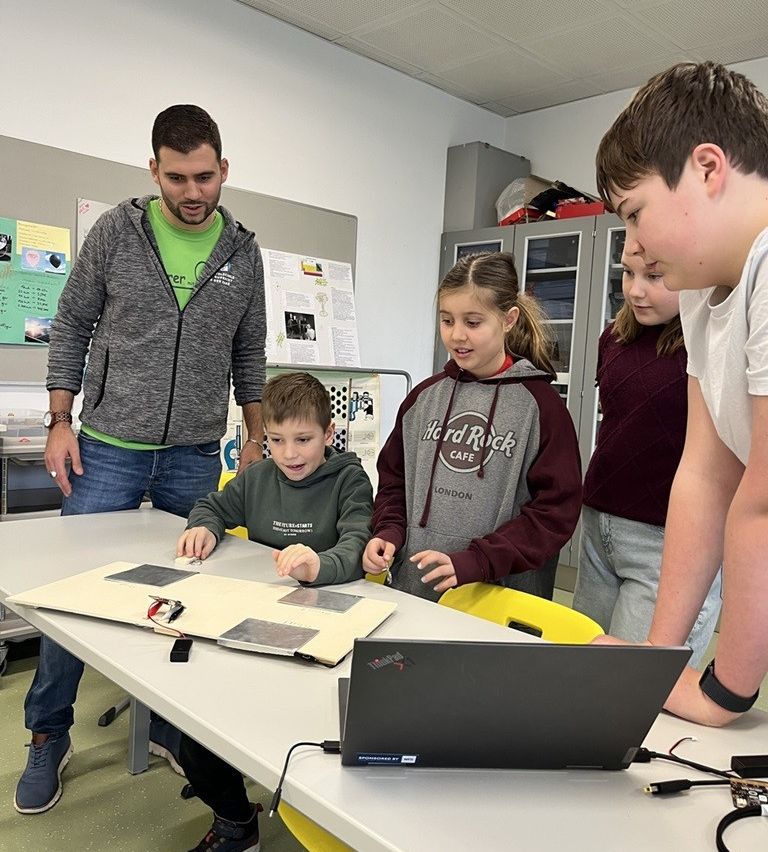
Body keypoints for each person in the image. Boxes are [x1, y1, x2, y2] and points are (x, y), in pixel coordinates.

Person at [15, 104, 267, 815]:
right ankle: (47, 733)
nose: (193, 193)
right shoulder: (116, 233)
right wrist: (61, 420)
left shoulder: (243, 251)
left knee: (183, 598)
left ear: (224, 170)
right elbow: (71, 323)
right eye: (178, 177)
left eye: (206, 177)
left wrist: (253, 437)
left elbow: (250, 352)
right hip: (109, 448)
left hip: (192, 453)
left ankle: (165, 722)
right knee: (73, 598)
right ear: (153, 170)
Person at [594, 60, 768, 725]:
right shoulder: (701, 287)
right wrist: (657, 661)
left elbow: (763, 503)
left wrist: (724, 693)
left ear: (706, 167)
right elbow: (707, 472)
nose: (634, 244)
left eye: (635, 214)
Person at [175, 372, 373, 852]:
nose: (289, 454)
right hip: (254, 625)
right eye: (276, 441)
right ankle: (235, 820)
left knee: (301, 729)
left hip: (325, 634)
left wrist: (317, 565)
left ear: (329, 435)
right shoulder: (259, 477)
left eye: (303, 440)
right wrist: (204, 526)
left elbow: (356, 544)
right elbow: (213, 506)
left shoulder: (349, 480)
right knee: (195, 733)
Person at [363, 251, 582, 600]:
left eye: (473, 322)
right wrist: (388, 531)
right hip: (415, 591)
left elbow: (554, 513)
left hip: (499, 601)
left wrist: (479, 560)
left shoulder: (541, 407)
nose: (457, 336)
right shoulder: (423, 398)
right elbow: (394, 480)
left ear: (508, 319)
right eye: (447, 320)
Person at [572, 251, 721, 666]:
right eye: (627, 274)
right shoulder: (614, 338)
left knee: (635, 686)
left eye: (655, 276)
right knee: (580, 668)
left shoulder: (709, 342)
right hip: (599, 525)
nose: (635, 291)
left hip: (664, 539)